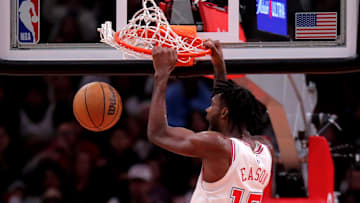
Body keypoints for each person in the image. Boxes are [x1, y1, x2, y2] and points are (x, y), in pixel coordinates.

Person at [147, 40, 273, 202]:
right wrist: (219, 67)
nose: (207, 109)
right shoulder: (264, 149)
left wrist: (161, 75)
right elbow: (224, 118)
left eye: (211, 106)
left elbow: (158, 133)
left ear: (224, 113)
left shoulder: (218, 145)